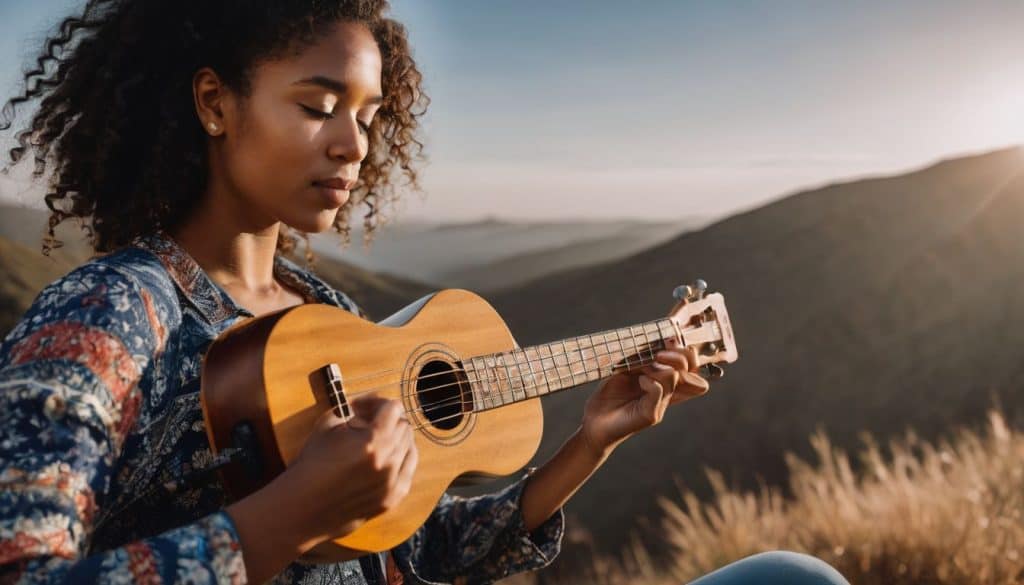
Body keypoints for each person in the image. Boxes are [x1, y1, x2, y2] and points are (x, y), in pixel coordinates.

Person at [0, 1, 849, 584]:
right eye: (318, 105)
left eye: (368, 117)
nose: (352, 145)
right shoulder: (111, 314)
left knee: (797, 574)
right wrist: (290, 514)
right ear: (216, 103)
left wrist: (590, 442)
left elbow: (420, 550)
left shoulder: (327, 312)